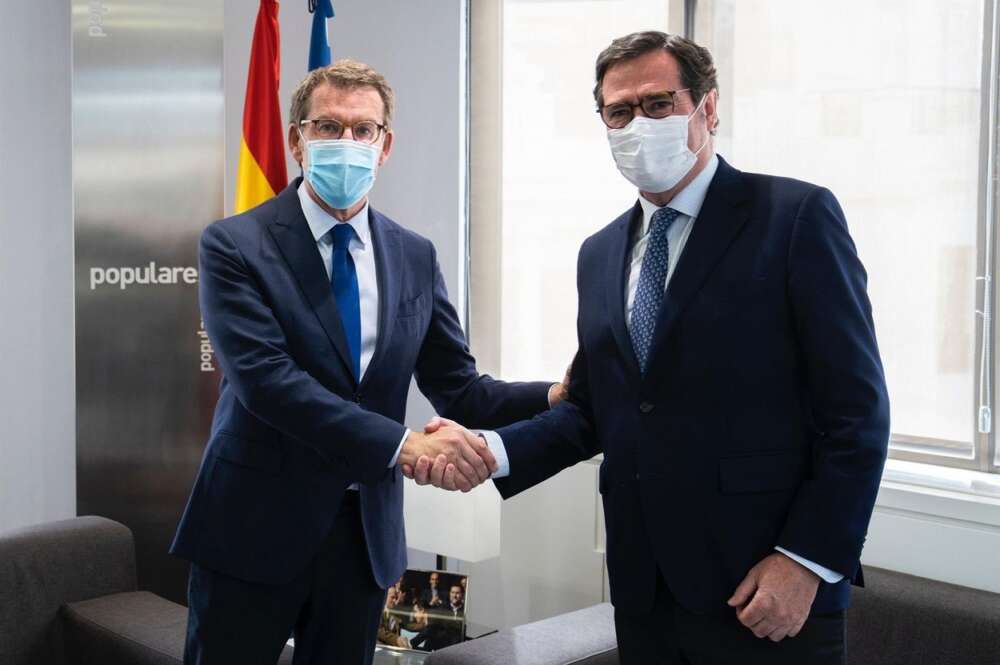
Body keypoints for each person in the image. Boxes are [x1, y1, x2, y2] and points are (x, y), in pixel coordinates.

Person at [410, 31, 889, 664]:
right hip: (643, 591)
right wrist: (490, 452)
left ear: (707, 109)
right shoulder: (599, 252)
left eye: (659, 104)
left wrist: (807, 562)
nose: (639, 123)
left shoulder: (794, 217)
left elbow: (857, 413)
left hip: (765, 590)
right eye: (620, 111)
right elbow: (596, 409)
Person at [170, 59, 565, 665]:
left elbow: (461, 390)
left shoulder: (412, 254)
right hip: (251, 528)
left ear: (385, 147)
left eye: (363, 130)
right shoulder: (234, 244)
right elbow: (268, 384)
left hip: (362, 538)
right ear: (297, 140)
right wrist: (406, 447)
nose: (346, 143)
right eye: (328, 127)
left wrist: (551, 398)